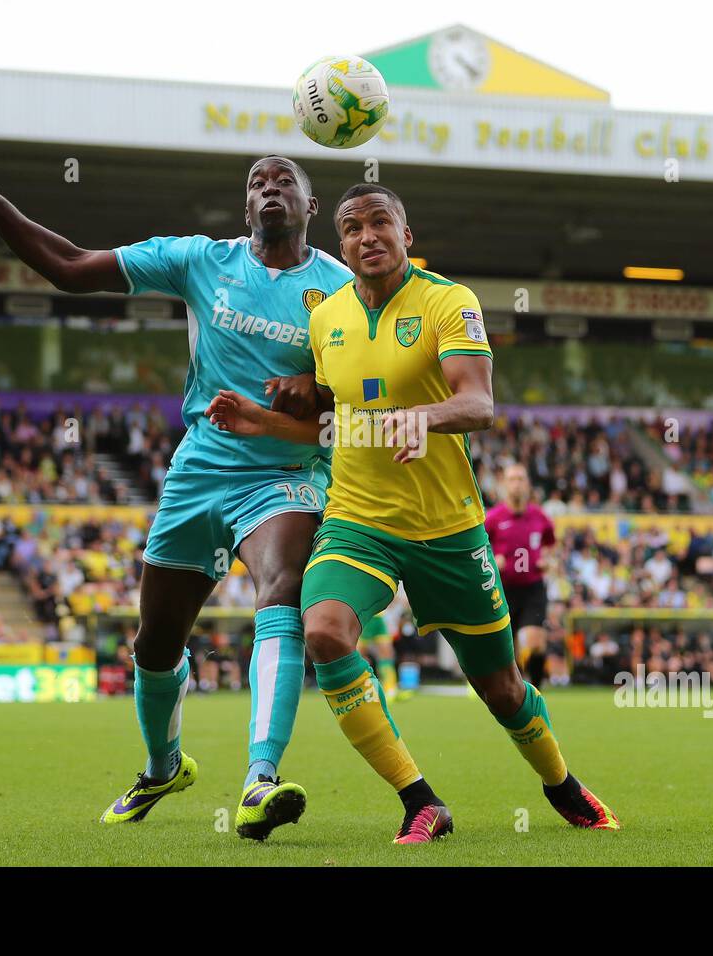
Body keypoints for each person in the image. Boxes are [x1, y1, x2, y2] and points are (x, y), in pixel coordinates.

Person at [0, 148, 350, 840]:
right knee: (155, 643)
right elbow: (68, 268)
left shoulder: (338, 288)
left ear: (309, 205)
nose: (269, 189)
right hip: (200, 470)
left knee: (283, 588)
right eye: (256, 183)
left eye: (286, 182)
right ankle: (163, 767)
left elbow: (375, 388)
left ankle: (260, 778)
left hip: (286, 473)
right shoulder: (199, 261)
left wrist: (323, 388)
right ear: (246, 209)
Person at [206, 183, 620, 843]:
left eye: (380, 224)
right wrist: (259, 421)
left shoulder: (447, 302)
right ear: (339, 243)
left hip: (448, 531)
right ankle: (420, 800)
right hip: (358, 521)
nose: (366, 236)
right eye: (352, 228)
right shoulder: (326, 317)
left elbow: (479, 405)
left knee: (504, 690)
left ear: (407, 236)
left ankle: (561, 783)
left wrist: (419, 417)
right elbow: (334, 426)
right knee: (325, 632)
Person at [485, 464, 556, 686]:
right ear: (504, 485)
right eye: (512, 479)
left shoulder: (539, 516)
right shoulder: (494, 518)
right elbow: (479, 549)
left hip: (532, 588)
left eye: (521, 479)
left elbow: (550, 543)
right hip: (503, 590)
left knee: (534, 642)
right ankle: (517, 692)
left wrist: (547, 560)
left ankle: (536, 691)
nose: (517, 484)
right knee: (508, 648)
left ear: (528, 484)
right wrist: (493, 562)